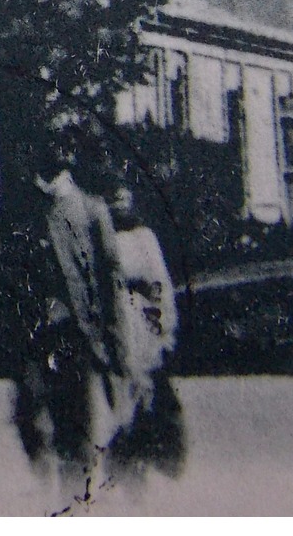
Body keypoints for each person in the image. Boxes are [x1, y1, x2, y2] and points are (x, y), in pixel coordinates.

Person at [26, 151, 126, 483]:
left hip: (84, 323)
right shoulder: (62, 212)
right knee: (81, 414)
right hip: (74, 323)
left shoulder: (84, 210)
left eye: (41, 178)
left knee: (90, 413)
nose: (37, 185)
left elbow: (109, 268)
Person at [106, 181, 185, 481]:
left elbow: (158, 282)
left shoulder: (144, 238)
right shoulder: (101, 237)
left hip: (139, 315)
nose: (120, 205)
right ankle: (122, 445)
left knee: (144, 381)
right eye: (114, 200)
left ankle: (141, 442)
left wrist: (163, 325)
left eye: (125, 199)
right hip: (113, 316)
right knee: (118, 383)